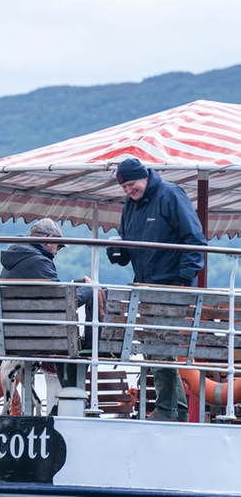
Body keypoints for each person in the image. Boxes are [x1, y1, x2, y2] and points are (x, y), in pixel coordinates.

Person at [106, 157, 207, 422]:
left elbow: (195, 239)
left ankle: (165, 411)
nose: (128, 191)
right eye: (124, 187)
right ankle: (178, 411)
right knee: (156, 349)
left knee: (158, 347)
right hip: (145, 287)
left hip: (172, 286)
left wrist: (185, 281)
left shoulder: (171, 194)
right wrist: (118, 252)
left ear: (144, 177)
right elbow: (128, 243)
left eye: (130, 184)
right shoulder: (130, 205)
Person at [0, 218, 95, 413]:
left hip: (12, 337)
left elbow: (53, 294)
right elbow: (61, 303)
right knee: (77, 345)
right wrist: (90, 289)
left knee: (66, 340)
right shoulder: (39, 261)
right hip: (35, 339)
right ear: (49, 240)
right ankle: (72, 402)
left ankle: (66, 403)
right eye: (58, 247)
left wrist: (77, 285)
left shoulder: (16, 258)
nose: (57, 252)